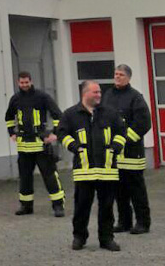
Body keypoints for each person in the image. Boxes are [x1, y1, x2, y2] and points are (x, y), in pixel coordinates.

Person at [57, 80, 127, 251]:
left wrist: (116, 147)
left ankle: (107, 238)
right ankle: (79, 237)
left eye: (100, 92)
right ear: (85, 93)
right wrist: (74, 146)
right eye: (95, 92)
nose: (99, 95)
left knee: (107, 208)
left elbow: (121, 131)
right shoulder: (71, 114)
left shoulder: (109, 113)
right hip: (84, 170)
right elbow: (62, 132)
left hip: (107, 169)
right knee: (82, 207)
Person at [4, 71, 66, 217]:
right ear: (18, 83)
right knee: (25, 178)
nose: (24, 85)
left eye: (26, 82)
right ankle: (26, 206)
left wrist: (54, 133)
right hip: (24, 145)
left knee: (49, 176)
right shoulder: (15, 99)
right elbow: (8, 117)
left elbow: (57, 114)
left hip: (41, 144)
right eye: (22, 83)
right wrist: (11, 132)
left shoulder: (42, 96)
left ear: (31, 81)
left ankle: (58, 205)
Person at [103, 64, 153, 235]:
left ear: (128, 77)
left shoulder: (135, 97)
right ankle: (124, 221)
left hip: (132, 153)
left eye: (121, 75)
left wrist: (124, 139)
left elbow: (144, 122)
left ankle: (143, 222)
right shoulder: (108, 95)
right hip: (115, 153)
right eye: (116, 74)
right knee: (119, 191)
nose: (117, 77)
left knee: (136, 190)